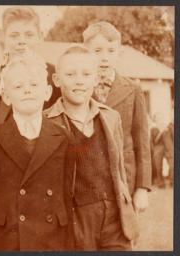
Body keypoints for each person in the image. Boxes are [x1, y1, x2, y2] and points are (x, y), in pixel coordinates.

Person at [45, 44, 139, 250]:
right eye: (70, 74)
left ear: (96, 79)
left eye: (86, 74)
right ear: (56, 80)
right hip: (75, 216)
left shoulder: (111, 117)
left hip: (114, 215)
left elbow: (119, 168)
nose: (79, 80)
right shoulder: (47, 121)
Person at [0, 55, 73, 251]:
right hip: (8, 238)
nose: (27, 90)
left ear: (47, 92)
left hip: (51, 238)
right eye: (18, 86)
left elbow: (66, 197)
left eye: (34, 84)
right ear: (6, 95)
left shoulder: (63, 137)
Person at [83, 21, 151, 212]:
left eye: (111, 51)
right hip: (88, 182)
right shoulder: (79, 88)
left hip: (125, 181)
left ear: (119, 53)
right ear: (86, 52)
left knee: (125, 236)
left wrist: (141, 188)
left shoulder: (133, 90)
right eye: (97, 51)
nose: (104, 58)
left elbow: (142, 143)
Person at [2, 6, 61, 109]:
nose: (21, 41)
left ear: (39, 37)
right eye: (14, 36)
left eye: (29, 35)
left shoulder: (54, 74)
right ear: (3, 38)